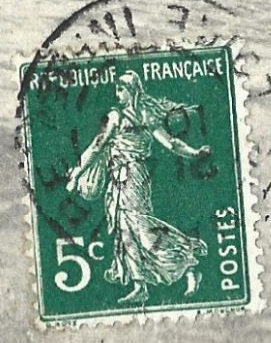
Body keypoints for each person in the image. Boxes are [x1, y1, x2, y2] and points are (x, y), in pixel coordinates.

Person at [65, 71, 211, 305]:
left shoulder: (133, 116)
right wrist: (78, 173)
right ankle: (139, 285)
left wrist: (194, 153)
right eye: (116, 89)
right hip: (119, 177)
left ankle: (187, 259)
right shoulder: (127, 115)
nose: (117, 93)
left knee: (140, 227)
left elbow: (170, 143)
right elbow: (97, 145)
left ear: (132, 90)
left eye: (121, 89)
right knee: (126, 230)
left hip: (132, 176)